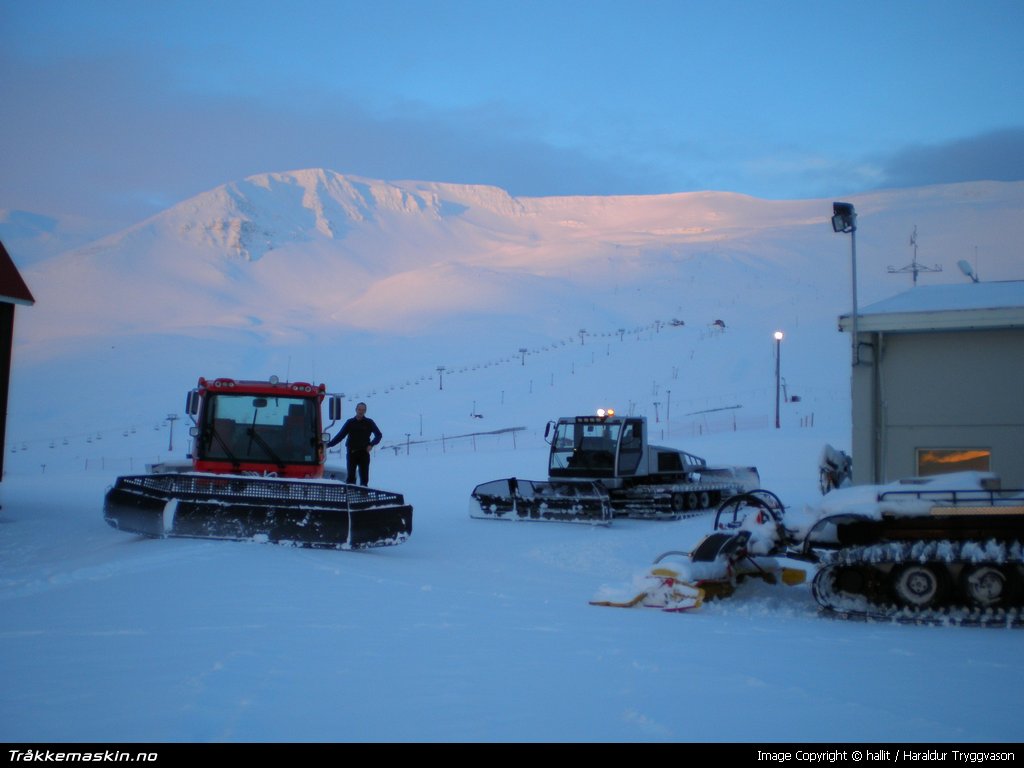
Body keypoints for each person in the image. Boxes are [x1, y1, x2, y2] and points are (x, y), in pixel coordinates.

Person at [327, 402, 382, 486]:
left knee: (364, 478)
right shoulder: (350, 422)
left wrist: (371, 444)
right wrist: (328, 445)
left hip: (364, 453)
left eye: (363, 410)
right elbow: (340, 436)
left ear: (365, 411)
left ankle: (363, 495)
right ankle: (349, 495)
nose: (361, 411)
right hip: (351, 453)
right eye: (359, 409)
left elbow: (378, 435)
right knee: (351, 478)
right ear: (356, 410)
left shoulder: (369, 422)